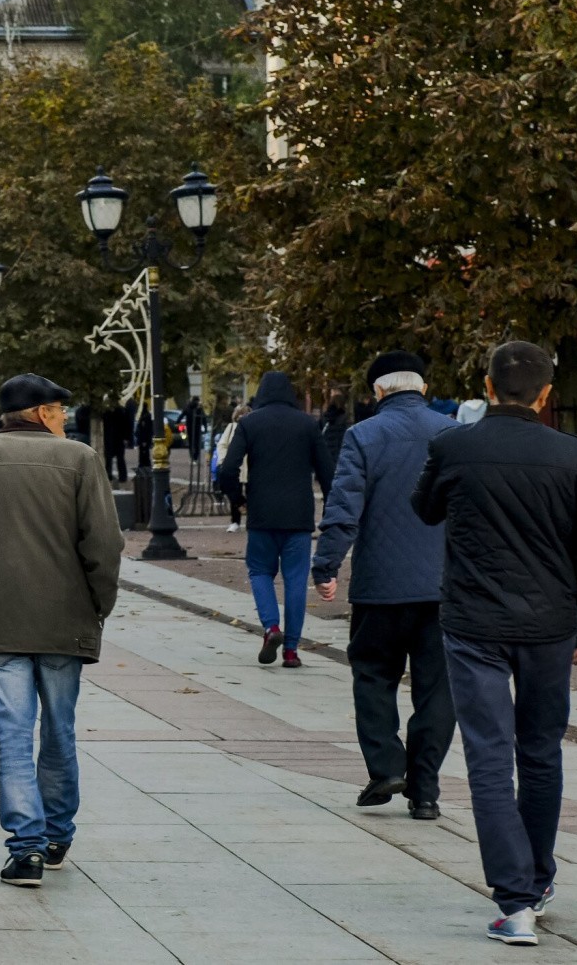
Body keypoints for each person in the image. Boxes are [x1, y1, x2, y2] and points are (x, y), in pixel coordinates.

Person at [414, 341, 577, 947]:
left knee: (488, 756)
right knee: (540, 752)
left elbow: (424, 509)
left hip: (473, 622)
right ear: (546, 393)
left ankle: (515, 900)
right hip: (548, 627)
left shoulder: (454, 446)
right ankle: (538, 877)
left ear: (486, 385)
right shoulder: (575, 456)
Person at [0, 374, 121, 886]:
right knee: (59, 729)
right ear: (41, 413)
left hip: (4, 619)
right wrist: (98, 604)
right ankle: (58, 831)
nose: (65, 418)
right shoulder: (80, 460)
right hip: (67, 618)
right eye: (60, 410)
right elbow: (104, 545)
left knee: (13, 733)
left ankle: (26, 849)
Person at [310, 351, 458, 820]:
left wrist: (326, 565)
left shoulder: (364, 435)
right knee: (438, 690)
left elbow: (344, 506)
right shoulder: (453, 434)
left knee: (373, 676)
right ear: (423, 389)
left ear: (378, 391)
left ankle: (387, 766)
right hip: (444, 589)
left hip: (380, 588)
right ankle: (426, 791)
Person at [217, 371, 333, 669]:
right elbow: (326, 471)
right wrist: (331, 508)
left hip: (261, 513)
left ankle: (271, 628)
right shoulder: (307, 424)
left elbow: (228, 469)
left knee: (259, 571)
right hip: (298, 515)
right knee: (296, 580)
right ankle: (292, 651)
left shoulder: (249, 423)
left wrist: (238, 500)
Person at [212, 402, 249, 532]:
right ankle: (235, 521)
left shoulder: (253, 427)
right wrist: (223, 461)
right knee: (234, 492)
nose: (243, 416)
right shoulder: (231, 428)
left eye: (245, 413)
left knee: (253, 492)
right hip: (235, 466)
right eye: (241, 414)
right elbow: (222, 445)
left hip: (250, 466)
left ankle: (252, 521)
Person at [101, 401, 131, 484]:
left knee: (109, 458)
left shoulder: (107, 411)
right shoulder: (122, 410)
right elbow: (127, 425)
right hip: (118, 438)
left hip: (110, 438)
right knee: (119, 459)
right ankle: (122, 477)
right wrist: (126, 438)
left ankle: (109, 475)